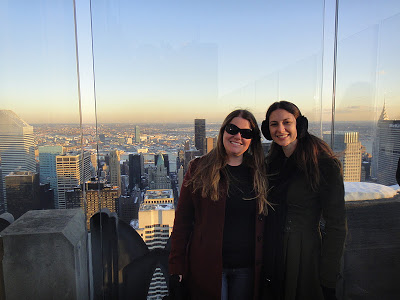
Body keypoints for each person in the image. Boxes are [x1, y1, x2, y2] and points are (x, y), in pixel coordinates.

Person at [169, 109, 269, 300]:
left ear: (252, 140)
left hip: (247, 268)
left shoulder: (259, 173)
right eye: (233, 129)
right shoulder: (199, 168)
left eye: (246, 133)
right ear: (223, 131)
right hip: (208, 266)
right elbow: (182, 222)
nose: (238, 136)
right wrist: (176, 266)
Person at [260, 101, 347, 300]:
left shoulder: (323, 165)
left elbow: (336, 226)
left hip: (303, 255)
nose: (280, 129)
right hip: (272, 250)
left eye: (286, 122)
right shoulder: (271, 163)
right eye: (274, 124)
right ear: (267, 129)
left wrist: (328, 277)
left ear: (299, 125)